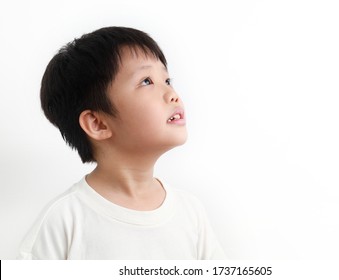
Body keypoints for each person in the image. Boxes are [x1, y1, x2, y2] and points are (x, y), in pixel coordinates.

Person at [18, 26, 225, 260]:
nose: (172, 94)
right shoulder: (64, 220)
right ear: (98, 123)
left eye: (167, 79)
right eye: (147, 81)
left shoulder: (191, 213)